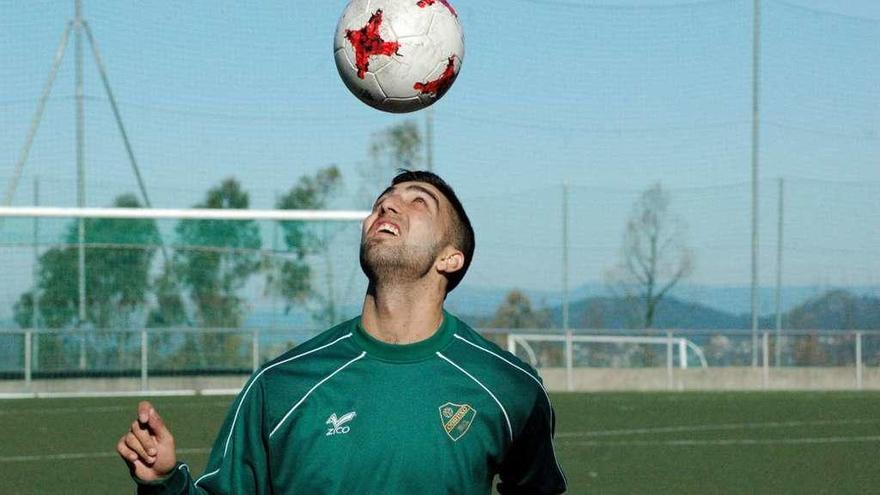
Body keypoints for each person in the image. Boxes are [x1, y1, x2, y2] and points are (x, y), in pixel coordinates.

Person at [117, 170, 567, 494]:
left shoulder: (509, 387)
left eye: (418, 202)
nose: (387, 205)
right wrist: (164, 484)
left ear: (451, 258)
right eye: (382, 201)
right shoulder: (281, 384)